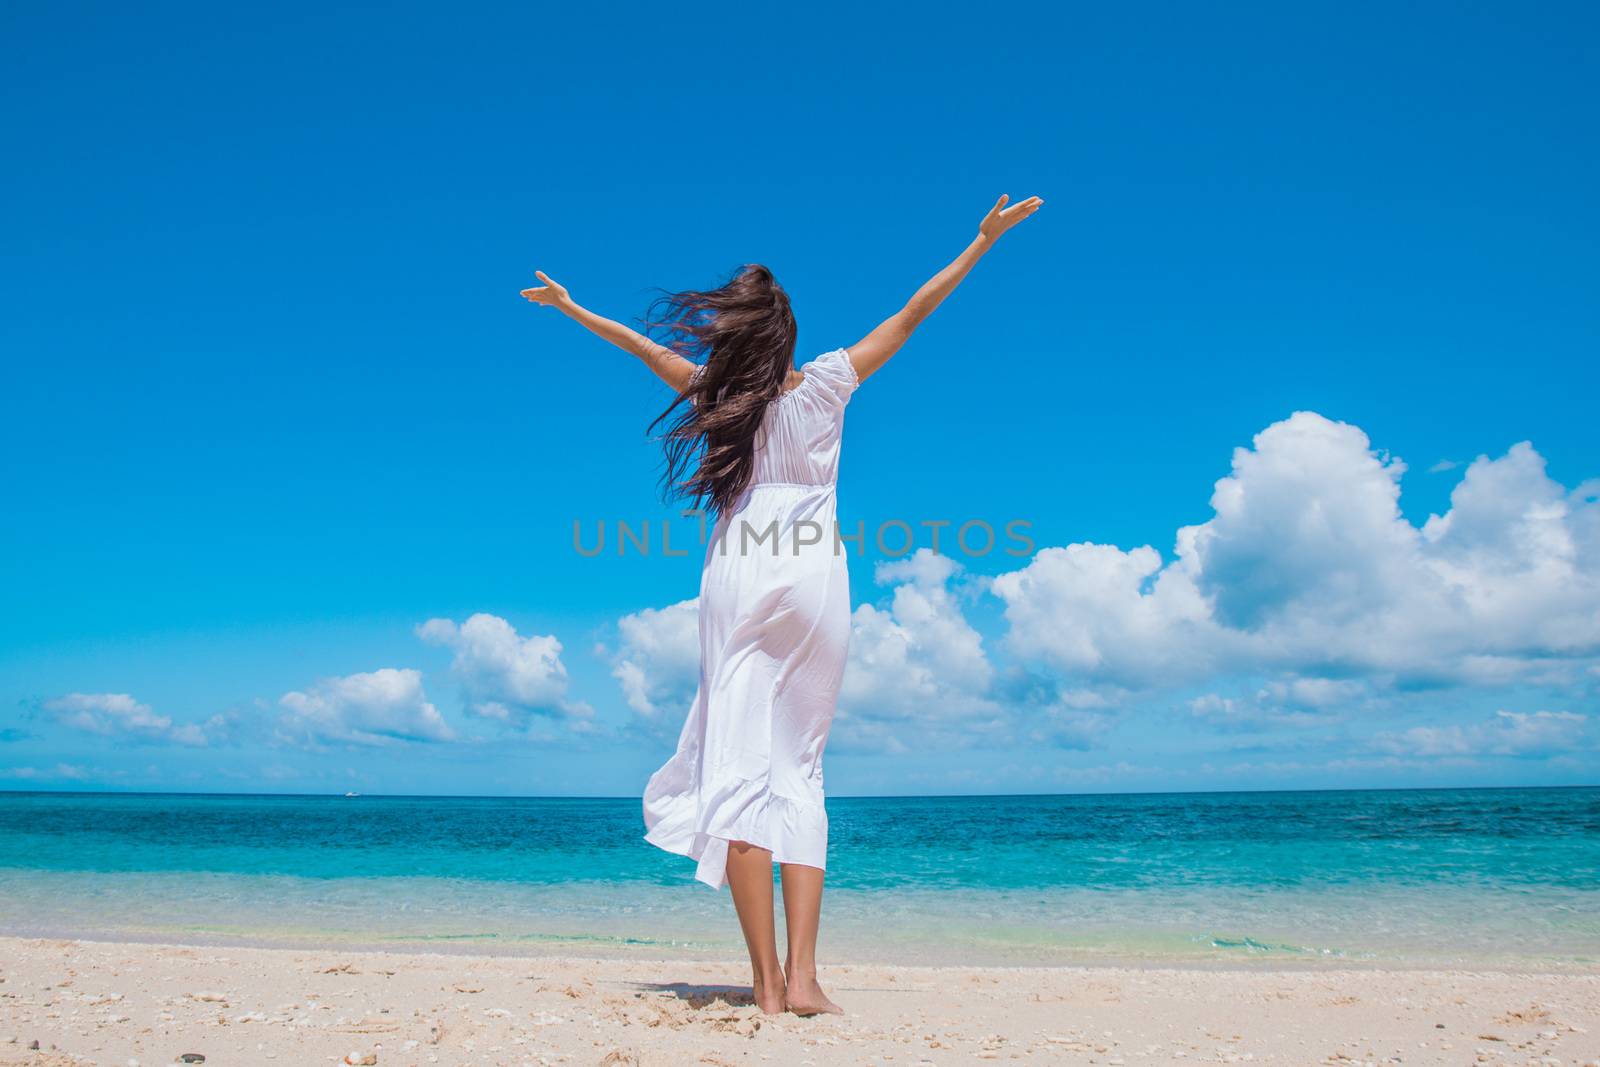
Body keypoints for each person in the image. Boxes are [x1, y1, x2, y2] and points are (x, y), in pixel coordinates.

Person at [520, 193, 1043, 1015]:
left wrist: (571, 306)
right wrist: (979, 242)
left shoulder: (718, 396)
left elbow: (641, 347)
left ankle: (764, 984)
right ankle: (804, 979)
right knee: (801, 766)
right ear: (789, 337)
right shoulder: (831, 380)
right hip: (816, 577)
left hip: (741, 571)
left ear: (737, 335)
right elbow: (913, 312)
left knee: (736, 767)